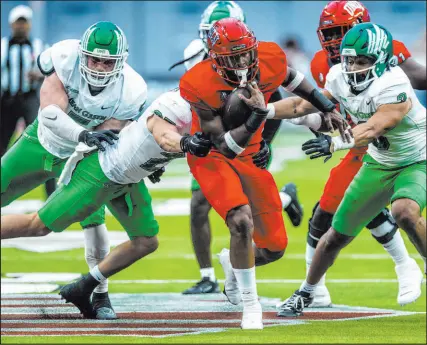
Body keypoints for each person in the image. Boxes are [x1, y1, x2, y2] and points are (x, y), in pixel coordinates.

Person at [179, 17, 350, 329]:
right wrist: (259, 114)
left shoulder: (269, 57)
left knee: (273, 248)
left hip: (251, 155)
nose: (243, 61)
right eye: (234, 56)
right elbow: (226, 146)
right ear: (216, 58)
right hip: (214, 157)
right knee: (241, 220)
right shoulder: (198, 82)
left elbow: (297, 82)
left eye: (246, 53)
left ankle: (233, 262)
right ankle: (250, 304)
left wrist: (327, 106)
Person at [1, 90, 212, 319]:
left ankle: (85, 287)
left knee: (146, 241)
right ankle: (92, 292)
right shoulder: (176, 104)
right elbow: (164, 136)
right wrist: (185, 143)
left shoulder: (209, 109)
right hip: (101, 171)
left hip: (129, 179)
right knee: (38, 225)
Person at [278, 0, 426, 308]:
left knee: (403, 211)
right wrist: (263, 110)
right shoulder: (334, 72)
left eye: (361, 60)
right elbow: (313, 108)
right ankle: (307, 290)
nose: (351, 65)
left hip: (410, 155)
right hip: (374, 155)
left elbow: (374, 126)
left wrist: (333, 142)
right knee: (333, 227)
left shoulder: (394, 80)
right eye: (349, 59)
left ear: (382, 58)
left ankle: (406, 265)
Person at [1, 21, 150, 320]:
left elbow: (114, 132)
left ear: (121, 62)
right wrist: (84, 134)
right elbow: (51, 113)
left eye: (107, 61)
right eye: (93, 58)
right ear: (82, 53)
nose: (98, 66)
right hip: (42, 142)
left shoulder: (132, 90)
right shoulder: (63, 57)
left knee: (95, 225)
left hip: (85, 158)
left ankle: (100, 294)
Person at [169, 1, 303, 296]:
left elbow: (272, 99)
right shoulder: (196, 58)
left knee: (242, 211)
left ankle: (227, 271)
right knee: (204, 205)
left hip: (245, 137)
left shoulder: (253, 56)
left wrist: (265, 142)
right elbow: (199, 106)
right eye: (209, 33)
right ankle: (208, 275)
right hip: (211, 137)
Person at [0, 5, 56, 197]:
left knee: (43, 143)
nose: (21, 26)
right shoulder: (1, 46)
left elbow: (54, 72)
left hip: (31, 98)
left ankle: (51, 194)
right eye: (18, 22)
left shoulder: (41, 47)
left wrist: (40, 75)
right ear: (11, 24)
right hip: (6, 100)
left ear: (30, 25)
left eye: (25, 22)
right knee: (1, 145)